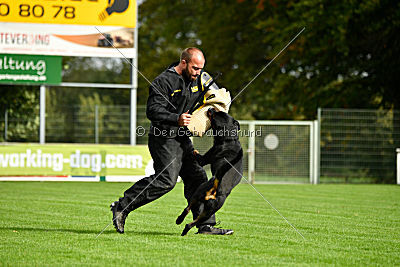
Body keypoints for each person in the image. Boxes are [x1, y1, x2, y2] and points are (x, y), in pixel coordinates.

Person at [110, 47, 234, 235]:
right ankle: (122, 206)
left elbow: (217, 95)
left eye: (201, 69)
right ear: (183, 62)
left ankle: (205, 225)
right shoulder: (163, 81)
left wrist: (219, 105)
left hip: (183, 138)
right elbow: (152, 111)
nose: (198, 72)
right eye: (194, 68)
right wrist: (176, 118)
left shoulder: (199, 79)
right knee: (167, 180)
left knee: (198, 177)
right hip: (163, 137)